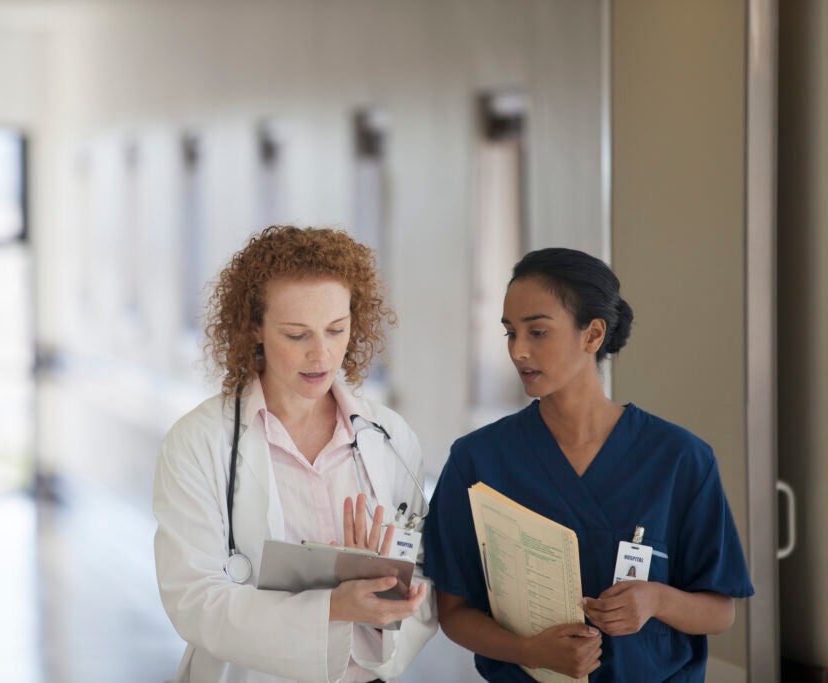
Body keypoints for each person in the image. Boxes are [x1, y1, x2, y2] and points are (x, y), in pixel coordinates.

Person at [422, 248, 754, 682]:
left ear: (593, 335)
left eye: (537, 332)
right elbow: (454, 612)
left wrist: (657, 600)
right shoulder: (477, 460)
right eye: (509, 333)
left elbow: (720, 610)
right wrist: (529, 650)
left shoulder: (680, 459)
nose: (518, 351)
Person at [154, 225, 437, 683]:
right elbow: (194, 599)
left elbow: (422, 572)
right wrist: (332, 606)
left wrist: (384, 592)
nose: (321, 354)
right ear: (254, 329)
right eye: (296, 335)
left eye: (336, 330)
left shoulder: (389, 438)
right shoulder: (198, 443)